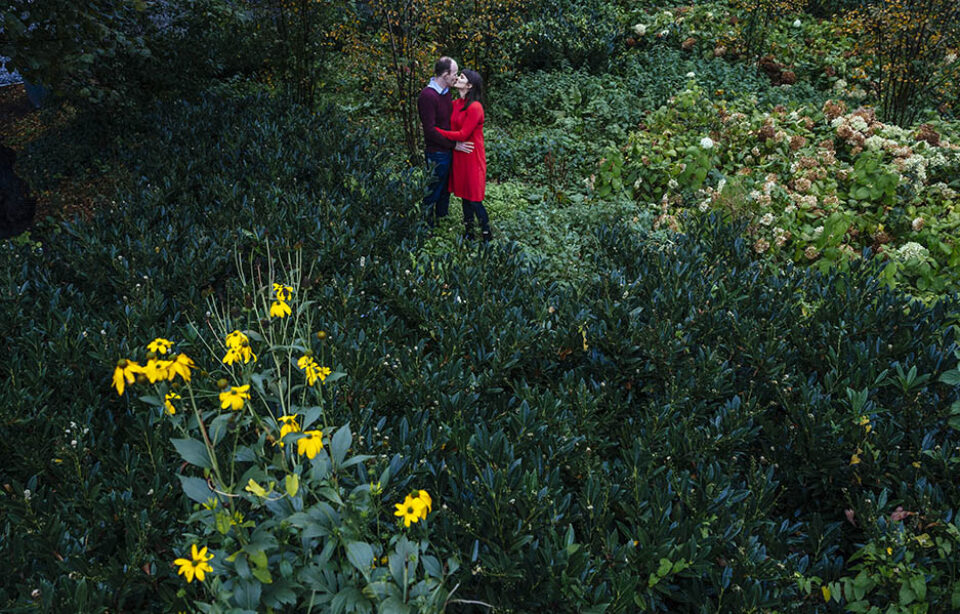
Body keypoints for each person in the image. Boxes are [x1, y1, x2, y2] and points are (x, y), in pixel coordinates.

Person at [436, 69, 491, 242]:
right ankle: (469, 234)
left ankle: (487, 234)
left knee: (474, 199)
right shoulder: (456, 103)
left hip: (472, 156)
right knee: (465, 198)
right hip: (460, 155)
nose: (458, 78)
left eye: (462, 77)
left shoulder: (475, 107)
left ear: (469, 85)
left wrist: (436, 132)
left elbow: (462, 134)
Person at [417, 57, 473, 227]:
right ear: (445, 74)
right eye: (454, 74)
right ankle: (425, 226)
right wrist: (454, 145)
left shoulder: (446, 92)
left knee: (445, 189)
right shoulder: (427, 96)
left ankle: (442, 220)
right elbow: (430, 131)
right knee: (433, 190)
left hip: (447, 150)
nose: (456, 78)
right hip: (436, 152)